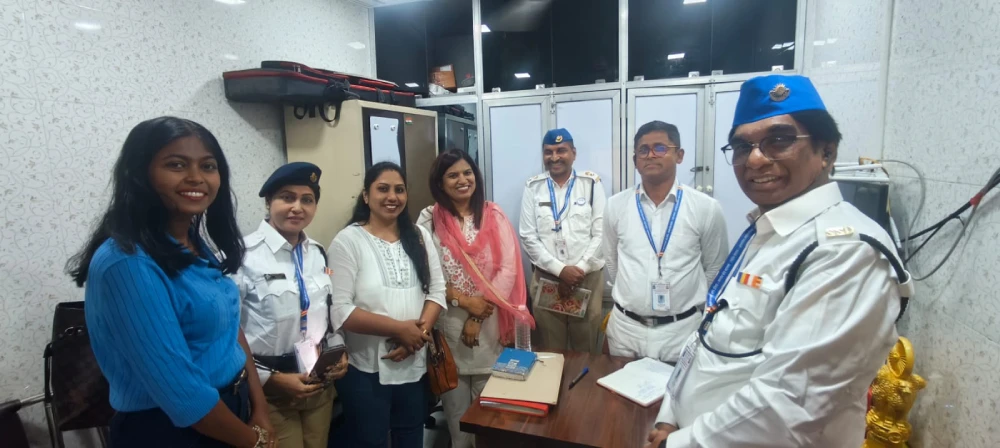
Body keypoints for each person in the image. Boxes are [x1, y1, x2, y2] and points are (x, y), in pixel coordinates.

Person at [646, 75, 913, 448]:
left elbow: (786, 409)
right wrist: (670, 414)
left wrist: (676, 444)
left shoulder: (845, 251)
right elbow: (708, 335)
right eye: (742, 146)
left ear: (826, 152)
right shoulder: (768, 232)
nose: (755, 159)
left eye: (779, 140)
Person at [66, 117, 275, 448]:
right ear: (140, 173)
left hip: (231, 409)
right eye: (176, 164)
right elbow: (183, 395)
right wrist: (255, 443)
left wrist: (259, 407)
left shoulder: (191, 242)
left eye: (208, 166)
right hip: (173, 430)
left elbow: (229, 329)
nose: (196, 177)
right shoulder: (128, 262)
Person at [417, 149, 535, 448]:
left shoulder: (493, 215)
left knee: (490, 415)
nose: (462, 180)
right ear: (440, 182)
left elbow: (508, 269)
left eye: (467, 172)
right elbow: (426, 274)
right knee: (456, 414)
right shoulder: (429, 219)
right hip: (447, 323)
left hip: (489, 322)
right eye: (452, 175)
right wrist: (464, 302)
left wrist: (477, 315)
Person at [328, 161, 446, 448]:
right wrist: (399, 330)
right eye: (383, 189)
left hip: (414, 362)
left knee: (411, 436)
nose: (392, 197)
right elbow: (341, 310)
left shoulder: (419, 236)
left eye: (399, 190)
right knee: (371, 441)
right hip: (365, 370)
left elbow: (437, 291)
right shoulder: (348, 241)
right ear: (366, 196)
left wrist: (415, 336)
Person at [234, 162, 348, 448]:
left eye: (307, 200)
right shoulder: (242, 256)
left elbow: (327, 313)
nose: (297, 207)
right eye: (287, 197)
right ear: (268, 201)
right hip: (271, 391)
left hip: (318, 384)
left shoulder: (317, 253)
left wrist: (338, 351)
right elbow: (227, 331)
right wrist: (267, 380)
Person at [603, 121, 728, 362]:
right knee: (618, 385)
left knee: (677, 387)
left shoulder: (706, 208)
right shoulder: (615, 206)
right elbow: (612, 260)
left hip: (681, 331)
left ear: (679, 155)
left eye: (660, 148)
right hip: (626, 329)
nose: (650, 155)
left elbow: (715, 267)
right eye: (643, 150)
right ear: (635, 160)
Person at [518, 128, 606, 353]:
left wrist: (578, 270)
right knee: (550, 350)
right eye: (548, 152)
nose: (554, 157)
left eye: (561, 150)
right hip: (548, 279)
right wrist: (560, 270)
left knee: (585, 351)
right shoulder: (533, 187)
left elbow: (601, 233)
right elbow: (528, 236)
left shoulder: (591, 184)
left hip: (586, 279)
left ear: (573, 153)